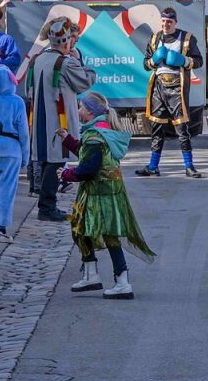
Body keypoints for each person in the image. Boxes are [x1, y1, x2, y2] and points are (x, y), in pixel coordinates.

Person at [61, 92, 155, 299]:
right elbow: (87, 153)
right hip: (108, 190)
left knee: (94, 232)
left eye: (80, 107)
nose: (78, 111)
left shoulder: (95, 136)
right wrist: (67, 140)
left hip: (98, 193)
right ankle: (100, 276)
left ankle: (115, 281)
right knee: (91, 232)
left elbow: (88, 168)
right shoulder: (103, 131)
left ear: (88, 112)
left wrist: (67, 174)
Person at [26, 18, 97, 222]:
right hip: (58, 120)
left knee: (49, 161)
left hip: (40, 119)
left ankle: (46, 203)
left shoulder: (37, 59)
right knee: (55, 161)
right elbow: (86, 81)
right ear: (65, 43)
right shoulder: (65, 63)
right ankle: (47, 207)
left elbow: (28, 89)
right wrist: (80, 61)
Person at [136, 7, 204, 178]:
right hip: (159, 88)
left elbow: (199, 61)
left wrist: (183, 60)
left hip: (176, 88)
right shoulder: (154, 38)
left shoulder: (186, 38)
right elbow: (145, 65)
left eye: (169, 22)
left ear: (175, 22)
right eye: (163, 21)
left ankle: (189, 166)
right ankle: (153, 166)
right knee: (157, 129)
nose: (166, 24)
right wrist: (154, 60)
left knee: (182, 129)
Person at [0, 67, 30, 244]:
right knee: (7, 192)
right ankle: (2, 228)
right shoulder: (17, 102)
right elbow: (23, 132)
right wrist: (26, 156)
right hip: (11, 150)